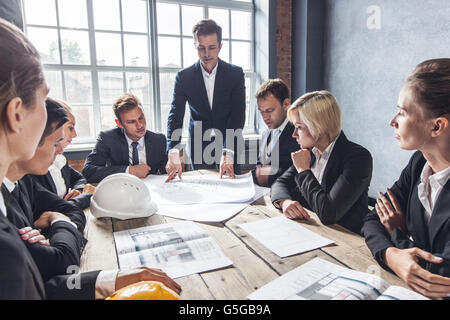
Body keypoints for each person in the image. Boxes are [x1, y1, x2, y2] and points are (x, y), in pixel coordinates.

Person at [0, 18, 180, 300]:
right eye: (43, 102)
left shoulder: (17, 187)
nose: (60, 135)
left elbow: (44, 287)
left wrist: (108, 278)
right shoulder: (6, 245)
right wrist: (62, 221)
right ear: (17, 115)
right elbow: (52, 270)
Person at [362, 58, 450, 299]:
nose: (392, 121)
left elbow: (440, 275)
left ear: (436, 127)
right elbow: (372, 218)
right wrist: (392, 254)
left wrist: (397, 234)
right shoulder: (419, 163)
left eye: (401, 112)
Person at [2, 98, 87, 281]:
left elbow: (72, 210)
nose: (58, 152)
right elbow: (63, 263)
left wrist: (57, 227)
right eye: (55, 143)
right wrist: (59, 222)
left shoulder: (23, 182)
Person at [270, 90, 373, 234]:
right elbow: (279, 183)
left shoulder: (358, 157)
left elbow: (328, 214)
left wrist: (303, 170)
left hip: (348, 238)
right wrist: (284, 202)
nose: (294, 134)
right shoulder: (310, 152)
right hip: (314, 231)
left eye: (299, 127)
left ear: (318, 125)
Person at [165, 19, 246, 181]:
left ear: (220, 46)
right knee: (204, 189)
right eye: (201, 48)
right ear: (195, 46)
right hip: (198, 145)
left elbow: (238, 115)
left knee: (232, 188)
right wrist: (173, 151)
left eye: (212, 47)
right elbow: (176, 115)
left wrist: (228, 151)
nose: (207, 54)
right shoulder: (184, 77)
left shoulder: (235, 74)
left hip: (230, 140)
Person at [82, 93, 168, 183]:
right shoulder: (107, 139)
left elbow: (165, 174)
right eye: (131, 121)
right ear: (119, 123)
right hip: (121, 190)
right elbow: (88, 172)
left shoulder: (159, 140)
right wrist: (129, 171)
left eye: (141, 118)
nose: (140, 125)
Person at [30, 98, 94, 209]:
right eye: (70, 128)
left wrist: (78, 190)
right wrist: (86, 195)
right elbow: (55, 209)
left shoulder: (59, 159)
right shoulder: (35, 167)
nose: (74, 134)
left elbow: (78, 178)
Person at [252, 79, 298, 187]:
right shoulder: (265, 134)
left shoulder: (298, 134)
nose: (265, 117)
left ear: (286, 104)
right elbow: (260, 166)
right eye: (261, 111)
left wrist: (269, 175)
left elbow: (298, 175)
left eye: (269, 111)